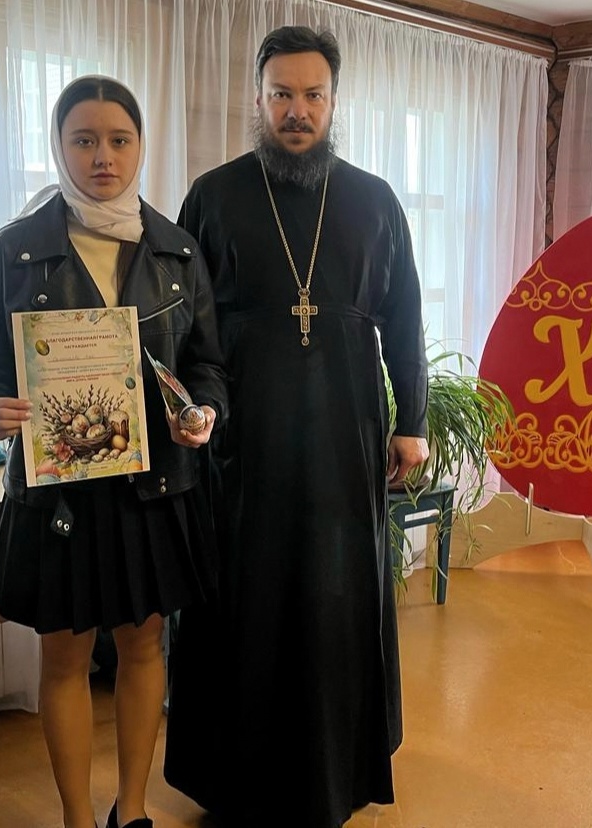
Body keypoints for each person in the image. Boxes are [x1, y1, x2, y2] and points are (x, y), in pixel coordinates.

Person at [163, 25, 429, 828]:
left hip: (346, 435)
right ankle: (235, 781)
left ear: (334, 101)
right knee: (244, 601)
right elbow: (184, 325)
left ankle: (333, 773)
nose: (297, 110)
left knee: (334, 598)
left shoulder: (373, 200)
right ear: (258, 97)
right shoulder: (213, 196)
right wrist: (188, 410)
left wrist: (412, 422)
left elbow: (405, 318)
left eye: (313, 95)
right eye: (282, 93)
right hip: (243, 439)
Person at [0, 75, 228, 828]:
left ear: (140, 147)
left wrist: (203, 411)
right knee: (65, 658)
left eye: (119, 140)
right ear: (58, 146)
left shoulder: (177, 251)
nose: (102, 156)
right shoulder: (14, 250)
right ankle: (79, 818)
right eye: (84, 140)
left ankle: (131, 810)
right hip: (60, 492)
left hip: (155, 485)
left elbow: (207, 364)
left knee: (145, 649)